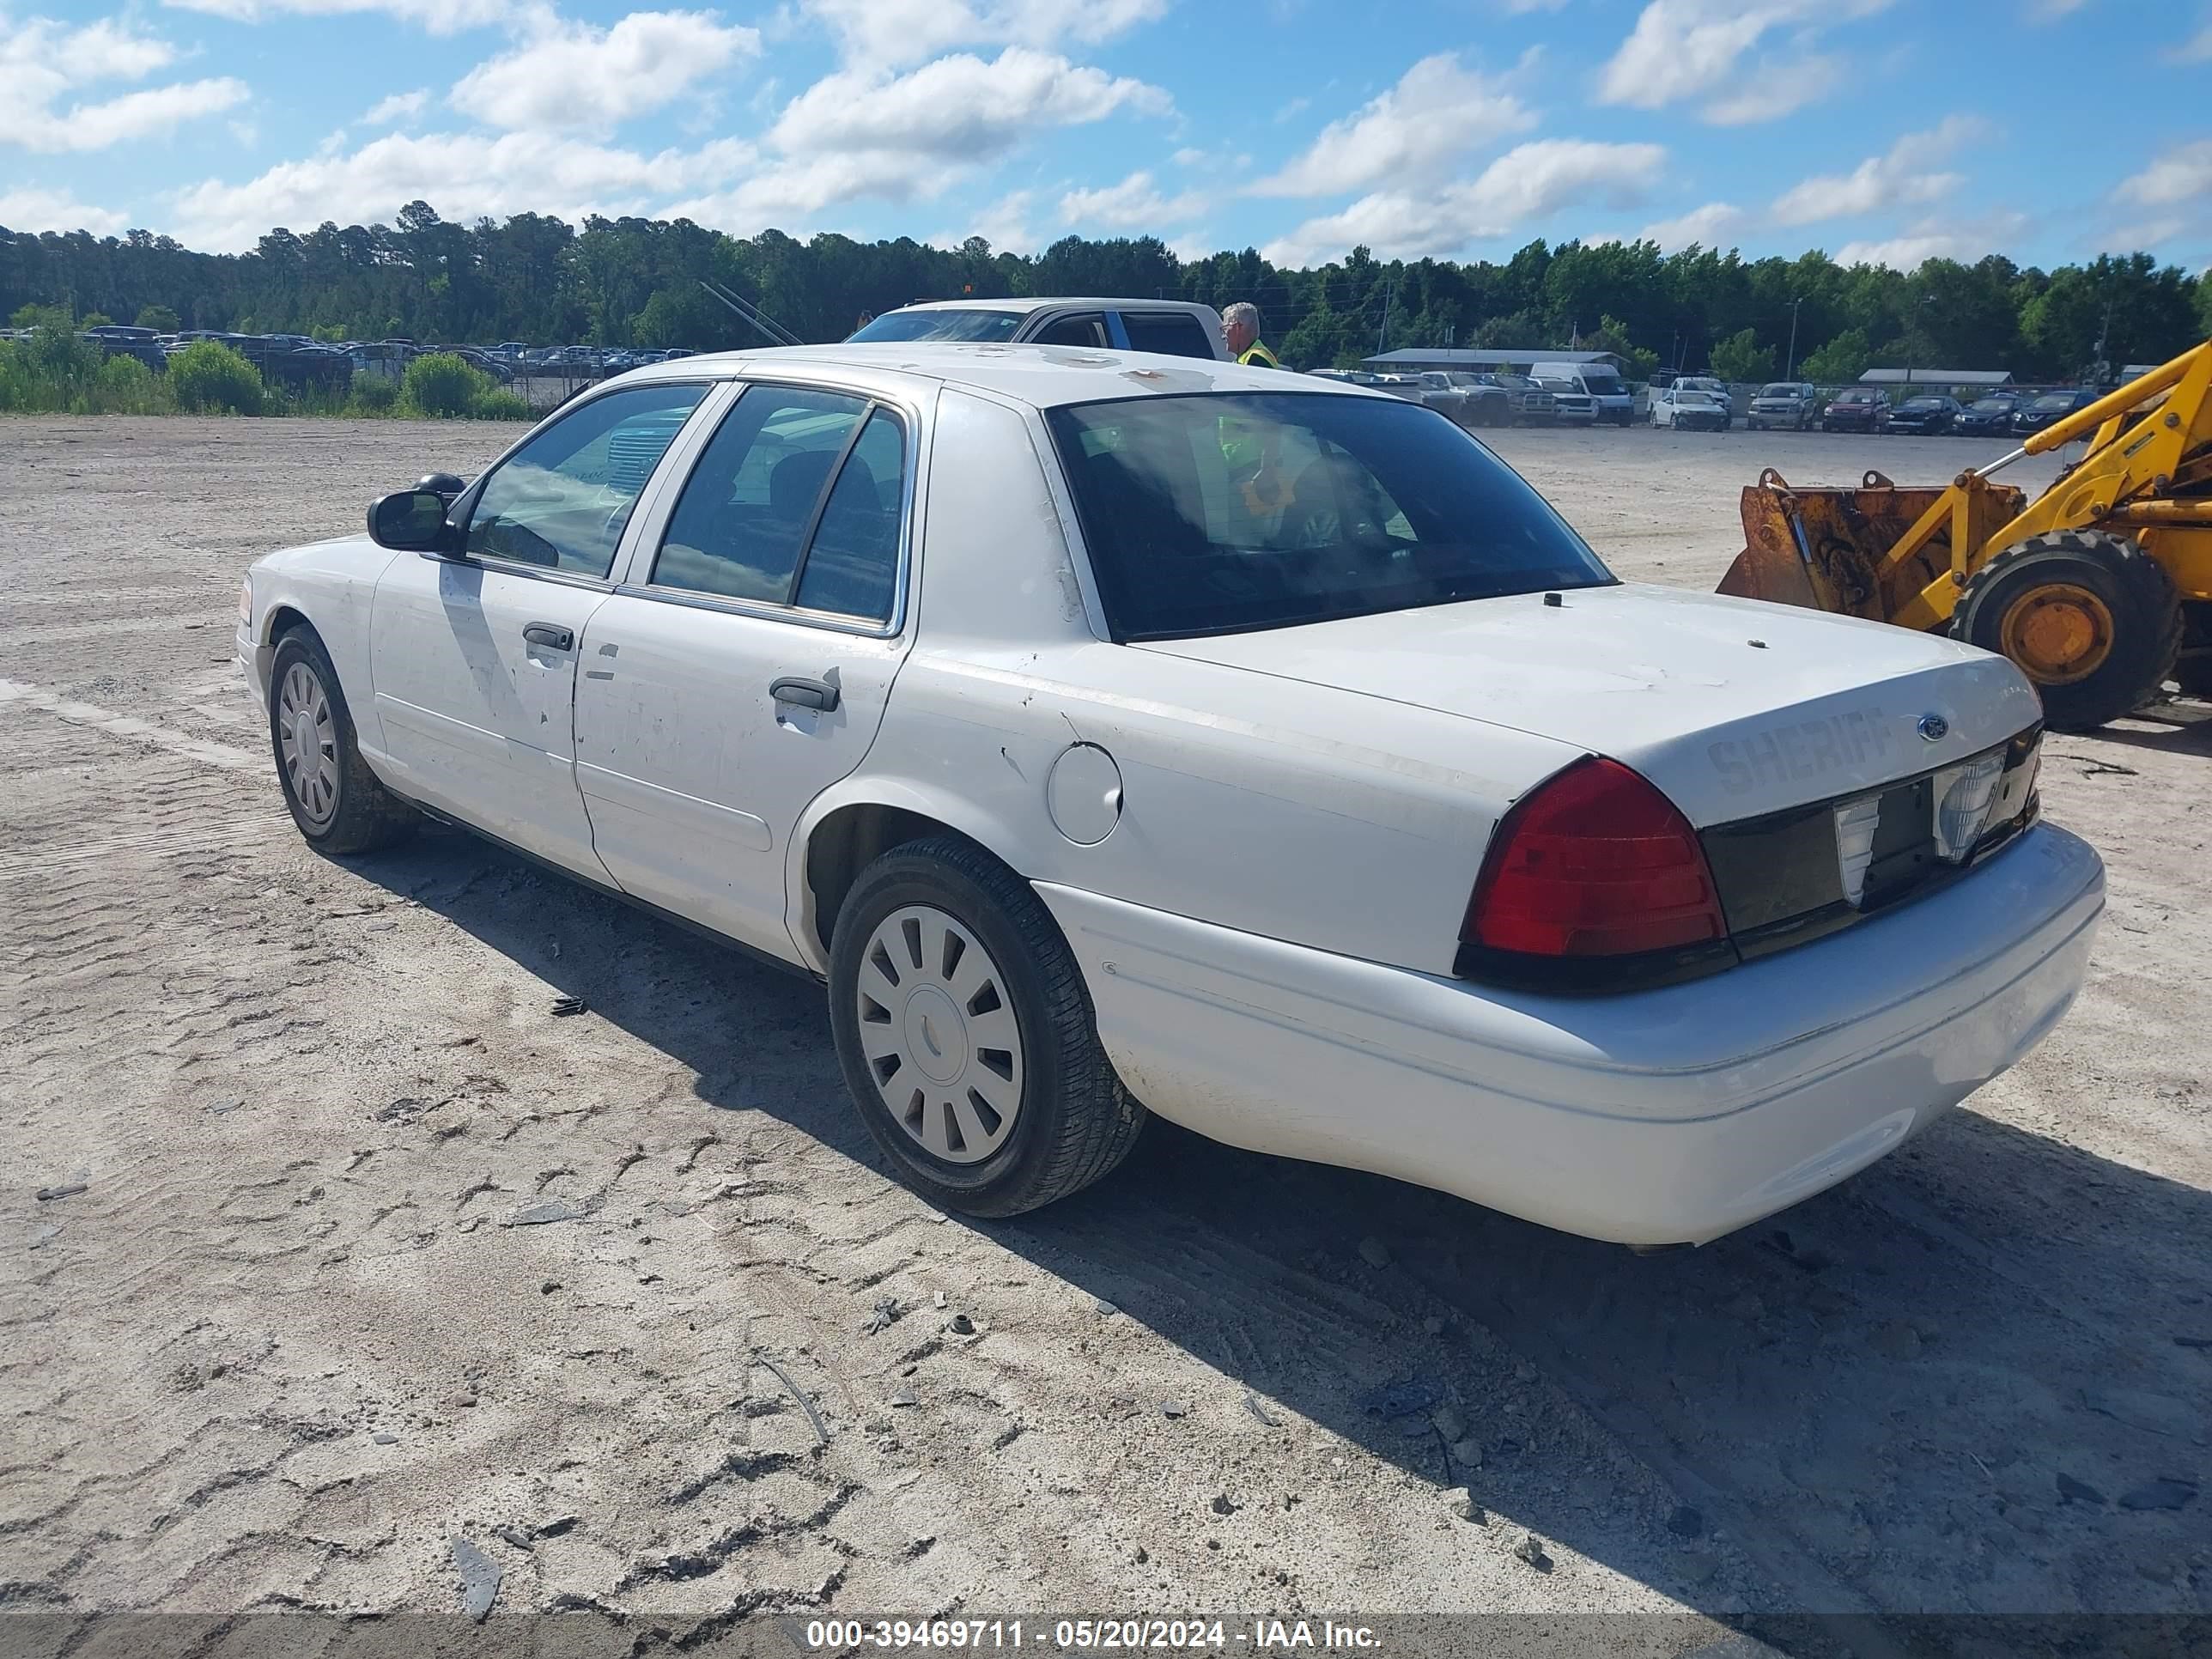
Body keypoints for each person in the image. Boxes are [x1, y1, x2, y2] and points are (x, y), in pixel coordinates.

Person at [1221, 301, 1283, 369]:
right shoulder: (1254, 356)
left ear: (1238, 328)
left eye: (1225, 328)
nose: (1223, 336)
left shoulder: (1256, 360)